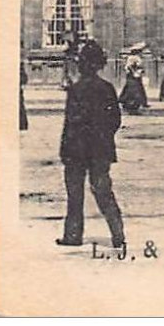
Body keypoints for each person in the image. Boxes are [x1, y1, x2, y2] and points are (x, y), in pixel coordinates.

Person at [56, 40, 126, 255]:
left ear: (82, 65)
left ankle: (73, 235)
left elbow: (70, 123)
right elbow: (115, 119)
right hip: (100, 149)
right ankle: (118, 234)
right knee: (103, 190)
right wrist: (103, 137)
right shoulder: (107, 88)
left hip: (76, 149)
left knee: (75, 194)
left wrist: (65, 149)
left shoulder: (76, 90)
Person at [119, 45, 150, 114]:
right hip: (133, 75)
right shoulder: (132, 58)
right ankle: (131, 103)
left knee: (138, 88)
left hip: (137, 74)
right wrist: (134, 73)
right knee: (133, 89)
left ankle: (140, 103)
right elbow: (130, 66)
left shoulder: (137, 57)